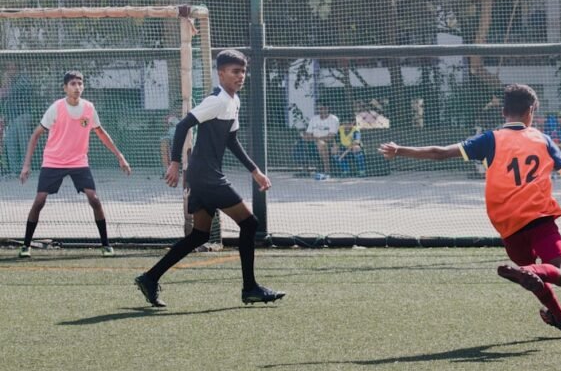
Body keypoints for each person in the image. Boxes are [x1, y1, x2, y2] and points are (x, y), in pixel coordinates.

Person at [379, 84, 561, 334]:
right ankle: (529, 276)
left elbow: (441, 153)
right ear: (531, 110)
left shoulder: (489, 140)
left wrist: (400, 150)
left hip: (508, 227)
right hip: (540, 220)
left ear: (503, 112)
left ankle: (560, 318)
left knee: (534, 277)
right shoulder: (542, 140)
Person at [134, 50, 284, 308]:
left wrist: (254, 170)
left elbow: (231, 140)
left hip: (204, 175)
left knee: (199, 236)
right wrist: (174, 163)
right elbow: (183, 125)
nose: (241, 76)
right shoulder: (216, 100)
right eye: (235, 72)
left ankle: (149, 277)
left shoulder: (233, 101)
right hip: (206, 177)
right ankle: (250, 288)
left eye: (243, 71)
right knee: (249, 224)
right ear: (221, 73)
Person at [17, 70, 132, 258]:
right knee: (39, 201)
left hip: (78, 161)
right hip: (53, 160)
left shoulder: (88, 108)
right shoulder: (56, 108)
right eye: (73, 84)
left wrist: (120, 156)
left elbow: (101, 133)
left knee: (94, 199)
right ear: (65, 88)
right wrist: (26, 165)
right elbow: (35, 135)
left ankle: (106, 245)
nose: (77, 87)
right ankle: (26, 245)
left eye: (80, 83)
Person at [1, 63, 34, 176]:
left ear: (17, 69)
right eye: (8, 68)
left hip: (23, 116)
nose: (9, 70)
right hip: (11, 118)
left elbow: (9, 93)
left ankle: (25, 170)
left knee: (24, 143)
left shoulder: (23, 80)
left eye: (12, 68)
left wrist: (7, 84)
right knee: (10, 143)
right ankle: (15, 171)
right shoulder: (11, 82)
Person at [295, 104, 339, 180]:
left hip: (328, 143)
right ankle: (305, 170)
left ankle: (327, 171)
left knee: (321, 144)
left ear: (328, 108)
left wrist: (318, 139)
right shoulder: (314, 119)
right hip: (313, 141)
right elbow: (308, 134)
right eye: (319, 109)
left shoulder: (333, 119)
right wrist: (315, 139)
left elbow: (331, 137)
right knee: (301, 143)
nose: (321, 110)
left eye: (323, 108)